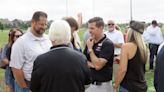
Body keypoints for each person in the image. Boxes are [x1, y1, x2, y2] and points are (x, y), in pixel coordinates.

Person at [30, 20, 91, 92]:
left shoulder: (40, 60)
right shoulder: (81, 58)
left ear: (51, 37)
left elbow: (34, 87)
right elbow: (87, 83)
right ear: (69, 36)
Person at [9, 11, 52, 92]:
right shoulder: (21, 42)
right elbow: (16, 68)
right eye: (41, 24)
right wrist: (25, 88)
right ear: (33, 22)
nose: (44, 27)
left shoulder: (48, 39)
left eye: (45, 24)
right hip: (29, 85)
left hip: (46, 84)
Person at [114, 20, 148, 92]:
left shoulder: (126, 46)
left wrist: (115, 86)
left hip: (128, 86)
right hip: (141, 86)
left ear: (131, 32)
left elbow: (122, 70)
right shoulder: (144, 47)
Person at [84, 17, 114, 92]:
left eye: (92, 28)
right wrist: (93, 64)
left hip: (102, 85)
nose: (89, 31)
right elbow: (83, 60)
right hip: (89, 84)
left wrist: (90, 49)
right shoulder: (90, 41)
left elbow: (98, 66)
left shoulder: (107, 43)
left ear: (101, 28)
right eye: (89, 28)